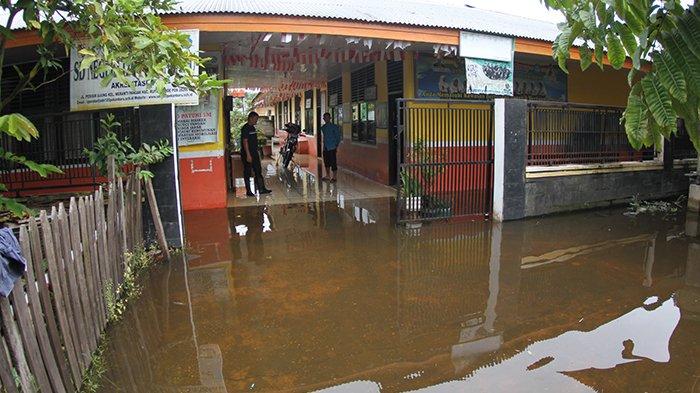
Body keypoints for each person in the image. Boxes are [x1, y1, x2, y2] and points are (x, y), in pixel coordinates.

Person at [241, 111, 271, 196]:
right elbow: (245, 141)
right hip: (248, 154)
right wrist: (248, 155)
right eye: (255, 119)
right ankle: (248, 191)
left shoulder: (253, 128)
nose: (256, 121)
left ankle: (261, 189)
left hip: (254, 153)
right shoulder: (245, 128)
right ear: (250, 118)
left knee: (258, 171)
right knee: (247, 172)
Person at [320, 112, 341, 182]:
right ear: (323, 119)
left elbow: (338, 137)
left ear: (330, 118)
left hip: (332, 147)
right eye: (324, 118)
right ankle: (327, 175)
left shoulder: (334, 127)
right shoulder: (323, 127)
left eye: (327, 117)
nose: (326, 119)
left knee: (333, 162)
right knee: (326, 163)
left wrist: (336, 145)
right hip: (325, 148)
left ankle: (334, 177)